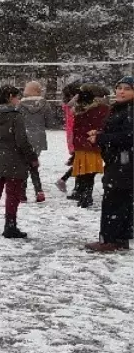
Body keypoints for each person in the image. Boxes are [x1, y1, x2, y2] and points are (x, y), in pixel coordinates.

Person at [0, 86, 38, 239]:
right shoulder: (15, 115)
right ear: (10, 96)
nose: (18, 101)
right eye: (17, 97)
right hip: (14, 159)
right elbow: (21, 140)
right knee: (13, 194)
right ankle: (10, 227)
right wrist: (32, 157)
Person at [86, 76, 134, 252]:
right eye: (119, 87)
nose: (121, 91)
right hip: (120, 160)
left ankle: (109, 239)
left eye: (127, 88)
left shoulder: (129, 110)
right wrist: (99, 134)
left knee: (113, 200)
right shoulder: (121, 109)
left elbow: (128, 137)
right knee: (123, 201)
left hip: (124, 162)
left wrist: (101, 138)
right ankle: (120, 238)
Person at [72, 85, 111, 209]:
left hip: (81, 144)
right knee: (89, 173)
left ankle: (83, 195)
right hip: (92, 144)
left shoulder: (79, 109)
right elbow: (104, 125)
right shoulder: (103, 109)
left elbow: (77, 128)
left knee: (83, 173)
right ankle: (86, 196)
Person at [19, 81, 57, 203]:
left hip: (24, 136)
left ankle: (22, 193)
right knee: (33, 163)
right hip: (39, 137)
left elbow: (16, 120)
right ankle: (39, 191)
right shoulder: (44, 104)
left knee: (24, 165)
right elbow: (50, 122)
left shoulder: (20, 105)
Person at [56, 83, 82, 196]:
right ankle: (65, 181)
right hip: (77, 133)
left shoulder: (67, 104)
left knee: (80, 160)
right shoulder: (75, 105)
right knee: (81, 161)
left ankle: (74, 186)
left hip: (71, 134)